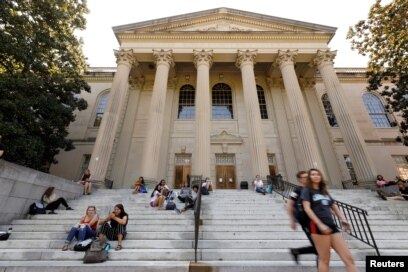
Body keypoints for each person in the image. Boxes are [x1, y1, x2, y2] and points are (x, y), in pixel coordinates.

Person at [301, 168, 356, 272]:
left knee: (349, 258)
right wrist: (320, 224)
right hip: (317, 226)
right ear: (309, 177)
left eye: (318, 174)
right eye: (313, 174)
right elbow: (307, 209)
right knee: (325, 259)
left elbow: (334, 207)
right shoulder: (307, 191)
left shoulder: (324, 192)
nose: (316, 176)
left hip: (331, 225)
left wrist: (343, 220)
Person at [287, 171, 317, 264]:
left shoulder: (313, 189)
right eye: (304, 177)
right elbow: (289, 204)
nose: (307, 178)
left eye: (307, 176)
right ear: (299, 179)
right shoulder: (297, 190)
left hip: (317, 220)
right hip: (306, 221)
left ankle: (296, 251)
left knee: (320, 247)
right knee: (319, 248)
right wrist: (292, 220)